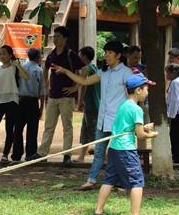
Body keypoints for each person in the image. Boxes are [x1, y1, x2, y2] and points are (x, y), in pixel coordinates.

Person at [51, 41, 133, 190]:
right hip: (102, 120)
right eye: (106, 52)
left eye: (110, 53)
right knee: (99, 153)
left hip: (119, 120)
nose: (106, 55)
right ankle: (91, 180)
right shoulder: (103, 72)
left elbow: (130, 97)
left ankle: (121, 183)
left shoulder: (126, 73)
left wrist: (129, 118)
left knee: (119, 154)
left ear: (119, 55)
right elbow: (84, 81)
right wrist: (66, 71)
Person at [93, 74, 158, 215]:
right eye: (146, 88)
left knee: (109, 179)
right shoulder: (136, 109)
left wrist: (144, 127)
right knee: (137, 181)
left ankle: (98, 211)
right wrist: (151, 134)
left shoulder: (123, 104)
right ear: (138, 90)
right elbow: (140, 135)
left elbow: (128, 127)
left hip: (114, 148)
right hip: (126, 150)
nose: (148, 91)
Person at [35, 26, 88, 167]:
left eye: (58, 36)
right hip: (53, 96)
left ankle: (67, 154)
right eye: (54, 36)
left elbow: (85, 69)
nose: (55, 39)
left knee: (67, 126)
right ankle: (42, 153)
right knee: (49, 126)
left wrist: (76, 87)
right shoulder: (51, 54)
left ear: (65, 38)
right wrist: (46, 86)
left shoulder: (71, 54)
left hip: (66, 96)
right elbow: (45, 68)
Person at [11, 48, 45, 162]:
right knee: (32, 129)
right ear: (38, 58)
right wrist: (41, 108)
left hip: (19, 101)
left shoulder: (20, 68)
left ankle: (16, 154)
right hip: (32, 102)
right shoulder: (39, 71)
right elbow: (41, 92)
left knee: (18, 129)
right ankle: (30, 154)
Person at [75, 46, 100, 163]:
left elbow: (83, 84)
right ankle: (81, 156)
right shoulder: (96, 69)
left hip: (92, 105)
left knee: (94, 131)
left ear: (84, 56)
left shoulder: (88, 69)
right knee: (85, 130)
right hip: (93, 104)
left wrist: (80, 101)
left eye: (80, 55)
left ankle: (102, 157)